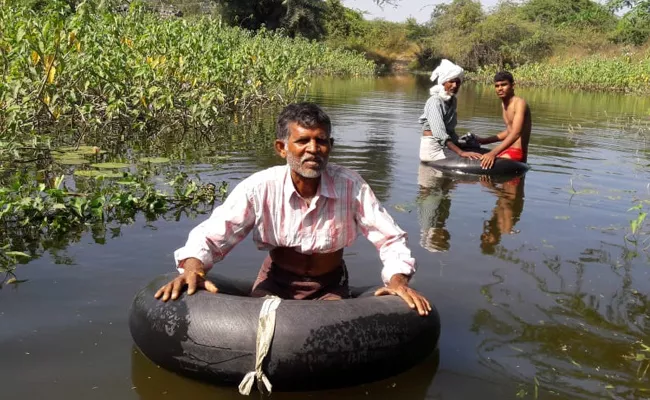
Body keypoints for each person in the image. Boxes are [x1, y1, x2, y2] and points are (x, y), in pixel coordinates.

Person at [154, 102, 431, 316]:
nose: (313, 149)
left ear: (330, 146)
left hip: (328, 285)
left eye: (321, 141)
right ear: (282, 148)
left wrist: (397, 281)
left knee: (330, 340)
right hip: (276, 280)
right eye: (302, 141)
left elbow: (390, 239)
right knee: (254, 334)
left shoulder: (351, 186)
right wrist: (193, 270)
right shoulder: (259, 187)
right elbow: (212, 235)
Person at [418, 59, 482, 162]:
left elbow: (450, 131)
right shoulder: (435, 102)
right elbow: (439, 133)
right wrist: (461, 152)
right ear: (443, 83)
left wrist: (463, 143)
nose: (455, 86)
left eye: (457, 82)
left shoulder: (452, 100)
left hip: (445, 145)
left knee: (475, 149)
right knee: (469, 158)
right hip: (433, 149)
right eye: (451, 82)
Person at [470, 71, 532, 170]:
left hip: (517, 152)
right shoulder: (504, 104)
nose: (500, 88)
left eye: (504, 85)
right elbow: (509, 131)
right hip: (508, 150)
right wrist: (483, 140)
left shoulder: (519, 104)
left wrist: (493, 153)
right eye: (497, 86)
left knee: (484, 167)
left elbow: (516, 133)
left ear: (512, 85)